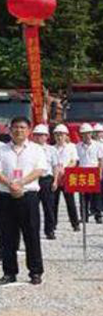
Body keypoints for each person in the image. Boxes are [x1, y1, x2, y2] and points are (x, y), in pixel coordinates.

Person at [0, 117, 47, 285]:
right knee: (7, 236)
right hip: (6, 196)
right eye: (15, 127)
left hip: (28, 196)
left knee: (31, 234)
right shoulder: (2, 149)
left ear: (28, 130)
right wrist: (10, 184)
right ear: (10, 130)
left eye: (22, 127)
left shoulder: (36, 149)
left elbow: (40, 170)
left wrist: (21, 183)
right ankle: (9, 272)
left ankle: (35, 272)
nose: (19, 130)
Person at [31, 125, 58, 240]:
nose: (39, 137)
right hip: (33, 180)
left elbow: (56, 166)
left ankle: (50, 230)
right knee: (32, 208)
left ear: (47, 136)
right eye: (37, 135)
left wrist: (55, 181)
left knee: (49, 207)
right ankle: (33, 231)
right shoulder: (30, 149)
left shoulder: (52, 150)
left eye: (42, 135)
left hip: (47, 179)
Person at [75, 123, 103, 224]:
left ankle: (98, 215)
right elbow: (76, 161)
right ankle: (84, 216)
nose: (86, 135)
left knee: (96, 195)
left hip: (93, 171)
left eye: (88, 133)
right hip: (82, 172)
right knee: (83, 197)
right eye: (84, 134)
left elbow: (101, 160)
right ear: (81, 135)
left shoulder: (97, 145)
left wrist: (100, 173)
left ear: (91, 134)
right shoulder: (77, 146)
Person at [53, 124, 80, 231]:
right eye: (57, 135)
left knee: (70, 201)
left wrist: (65, 169)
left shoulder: (71, 147)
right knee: (54, 202)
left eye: (61, 135)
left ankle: (75, 223)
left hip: (67, 177)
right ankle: (53, 223)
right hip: (55, 177)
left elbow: (74, 161)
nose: (59, 137)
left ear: (66, 136)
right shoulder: (51, 148)